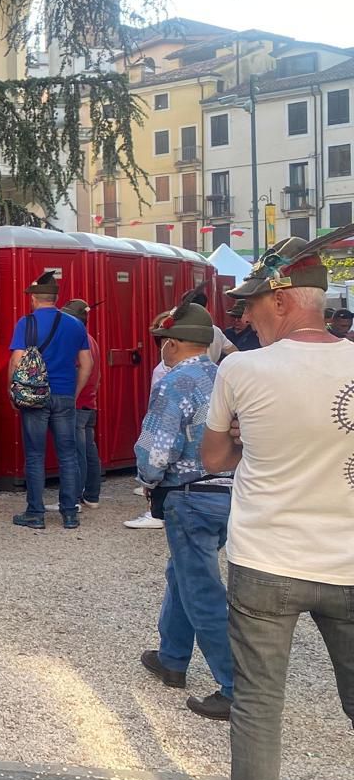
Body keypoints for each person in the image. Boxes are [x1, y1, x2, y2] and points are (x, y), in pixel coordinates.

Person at [178, 234, 354, 780]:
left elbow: (213, 458)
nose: (245, 318)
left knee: (257, 705)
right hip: (350, 557)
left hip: (268, 558)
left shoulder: (243, 371)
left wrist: (251, 442)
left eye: (251, 306)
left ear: (281, 302)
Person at [132, 301, 234, 722]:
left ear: (171, 344)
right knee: (183, 573)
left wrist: (147, 479)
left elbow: (157, 450)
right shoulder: (226, 377)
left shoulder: (175, 383)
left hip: (189, 494)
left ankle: (235, 686)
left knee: (200, 588)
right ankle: (172, 656)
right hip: (231, 493)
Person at [7, 272, 92, 530]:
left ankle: (35, 513)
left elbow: (16, 360)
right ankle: (70, 513)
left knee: (35, 456)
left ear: (33, 298)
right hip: (64, 394)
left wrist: (13, 392)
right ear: (56, 298)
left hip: (34, 396)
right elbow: (87, 364)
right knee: (68, 455)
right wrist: (74, 393)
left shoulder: (27, 322)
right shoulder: (75, 325)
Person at [61, 299, 103, 510]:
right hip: (90, 402)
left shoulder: (75, 340)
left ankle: (74, 497)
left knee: (76, 452)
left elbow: (81, 370)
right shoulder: (91, 340)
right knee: (89, 450)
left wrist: (72, 396)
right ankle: (92, 495)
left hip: (78, 403)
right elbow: (98, 374)